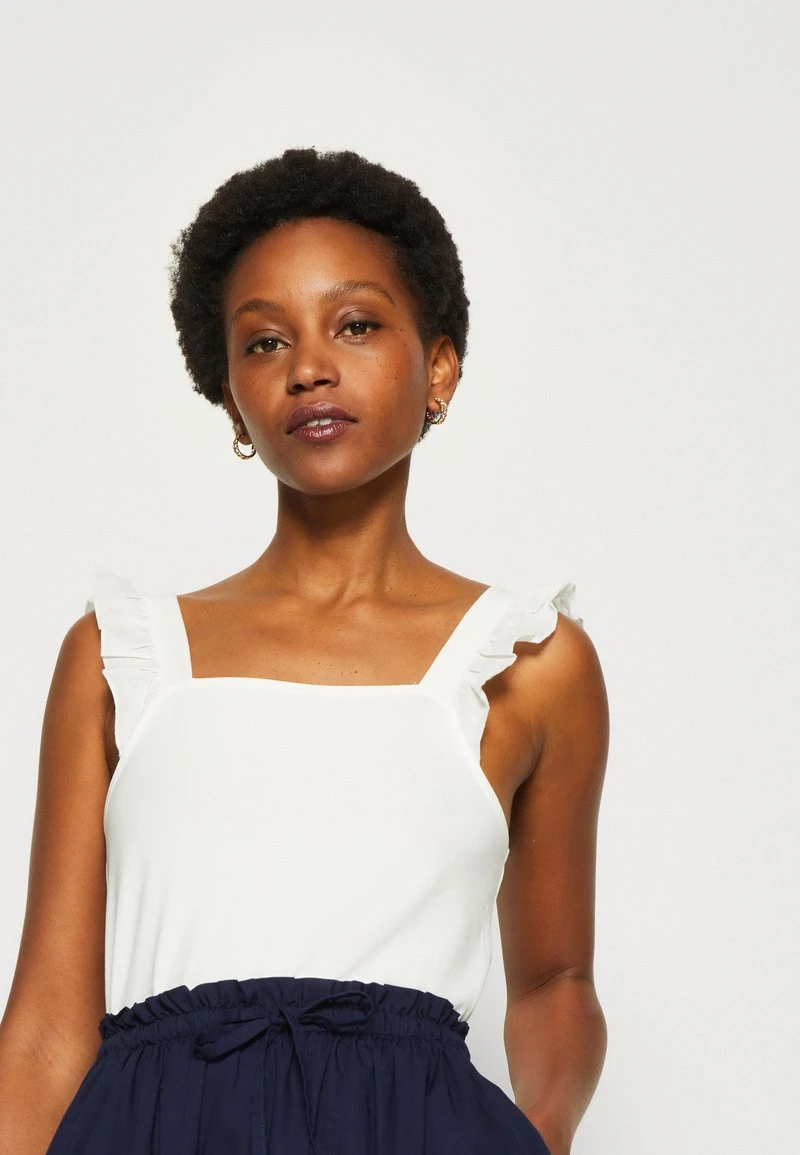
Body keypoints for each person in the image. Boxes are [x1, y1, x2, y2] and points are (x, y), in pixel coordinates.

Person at [0, 147, 609, 1154]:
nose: (309, 367)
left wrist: (531, 1137)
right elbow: (42, 1032)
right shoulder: (120, 659)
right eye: (265, 341)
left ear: (439, 367)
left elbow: (554, 981)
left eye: (356, 324)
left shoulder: (527, 661)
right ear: (230, 396)